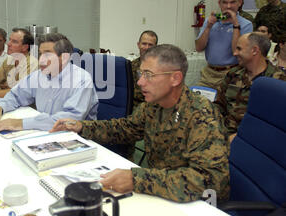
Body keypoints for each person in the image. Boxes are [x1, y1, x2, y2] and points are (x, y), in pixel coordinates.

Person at [51, 44, 229, 203]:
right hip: (162, 194)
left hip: (197, 205)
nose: (140, 82)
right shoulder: (153, 106)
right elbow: (125, 128)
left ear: (175, 78)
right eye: (140, 74)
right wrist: (82, 126)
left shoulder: (202, 116)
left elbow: (209, 181)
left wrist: (137, 179)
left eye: (149, 75)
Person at [0, 32, 98, 132]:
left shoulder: (81, 80)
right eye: (40, 54)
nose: (41, 60)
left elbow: (68, 121)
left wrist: (20, 123)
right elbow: (16, 95)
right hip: (43, 132)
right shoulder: (40, 75)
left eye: (47, 55)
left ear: (64, 57)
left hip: (75, 138)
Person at [214, 33, 286, 142]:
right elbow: (219, 105)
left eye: (239, 49)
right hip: (222, 134)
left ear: (254, 50)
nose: (234, 53)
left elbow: (275, 124)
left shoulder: (278, 82)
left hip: (253, 142)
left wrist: (240, 138)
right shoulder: (233, 74)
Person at [195, 0, 253, 90]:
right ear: (219, 3)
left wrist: (235, 24)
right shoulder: (211, 21)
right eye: (225, 2)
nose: (228, 6)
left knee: (223, 105)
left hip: (231, 75)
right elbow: (198, 48)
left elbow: (236, 51)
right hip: (209, 74)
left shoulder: (246, 24)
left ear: (239, 2)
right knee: (198, 103)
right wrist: (208, 27)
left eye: (232, 2)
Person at [0, 28, 38, 98]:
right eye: (10, 40)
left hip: (26, 106)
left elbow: (19, 92)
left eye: (14, 41)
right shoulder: (10, 59)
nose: (8, 44)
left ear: (25, 47)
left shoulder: (32, 63)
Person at [131, 30, 158, 110]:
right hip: (134, 110)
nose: (147, 48)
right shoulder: (131, 66)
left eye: (150, 45)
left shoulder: (161, 69)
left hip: (153, 110)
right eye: (144, 44)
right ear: (138, 45)